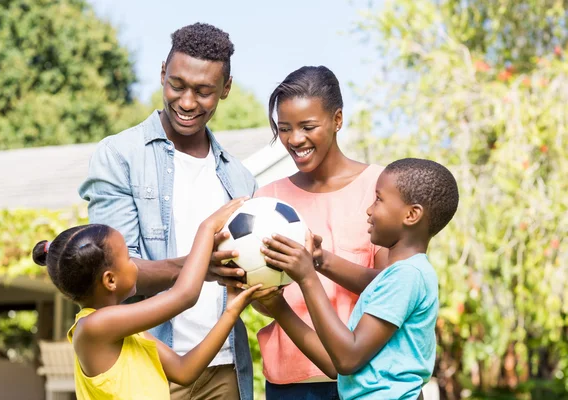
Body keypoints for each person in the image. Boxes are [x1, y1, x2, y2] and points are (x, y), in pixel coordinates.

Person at [78, 23, 257, 400]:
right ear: (162, 73)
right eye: (177, 85)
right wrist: (198, 267)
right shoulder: (119, 156)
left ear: (225, 89)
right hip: (149, 364)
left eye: (204, 91)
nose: (188, 102)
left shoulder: (240, 178)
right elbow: (115, 272)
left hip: (224, 365)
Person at [32, 198, 277, 399]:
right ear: (110, 280)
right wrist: (206, 228)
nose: (135, 264)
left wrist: (231, 311)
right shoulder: (93, 327)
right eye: (128, 258)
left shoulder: (128, 331)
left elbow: (184, 371)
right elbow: (184, 296)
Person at [258, 158, 460, 399]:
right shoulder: (397, 276)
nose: (369, 209)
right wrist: (277, 304)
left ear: (411, 214)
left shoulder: (407, 276)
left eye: (379, 199)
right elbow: (335, 363)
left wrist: (307, 278)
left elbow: (346, 358)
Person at [248, 65, 388, 399]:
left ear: (337, 120)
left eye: (308, 127)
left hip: (368, 381)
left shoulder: (380, 188)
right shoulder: (267, 199)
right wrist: (257, 293)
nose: (295, 140)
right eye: (284, 129)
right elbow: (265, 302)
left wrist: (319, 262)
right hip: (290, 385)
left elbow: (391, 287)